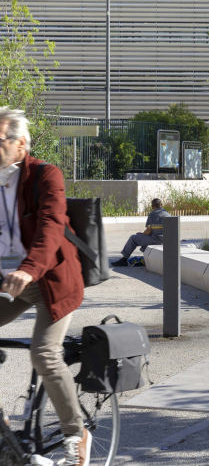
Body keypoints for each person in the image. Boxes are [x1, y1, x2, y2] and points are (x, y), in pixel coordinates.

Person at [0, 109, 92, 465]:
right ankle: (4, 430)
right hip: (9, 281)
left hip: (51, 279)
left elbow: (51, 228)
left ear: (20, 144)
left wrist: (28, 269)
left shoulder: (45, 175)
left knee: (44, 353)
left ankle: (75, 433)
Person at [111, 198, 169, 267]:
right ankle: (146, 259)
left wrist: (141, 234)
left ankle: (124, 259)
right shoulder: (167, 213)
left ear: (152, 207)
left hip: (156, 239)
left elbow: (148, 231)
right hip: (165, 240)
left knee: (133, 238)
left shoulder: (153, 214)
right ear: (161, 205)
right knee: (145, 238)